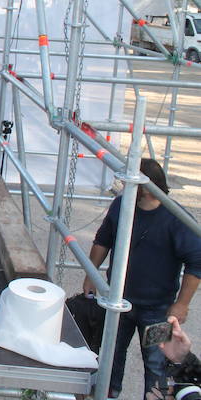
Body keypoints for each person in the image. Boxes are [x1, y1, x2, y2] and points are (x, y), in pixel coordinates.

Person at [83, 158, 201, 398]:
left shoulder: (175, 218)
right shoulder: (120, 206)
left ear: (146, 188)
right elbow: (102, 239)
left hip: (157, 309)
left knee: (157, 363)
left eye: (130, 183)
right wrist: (91, 275)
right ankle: (109, 394)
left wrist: (181, 304)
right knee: (111, 356)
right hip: (117, 302)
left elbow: (197, 263)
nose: (124, 188)